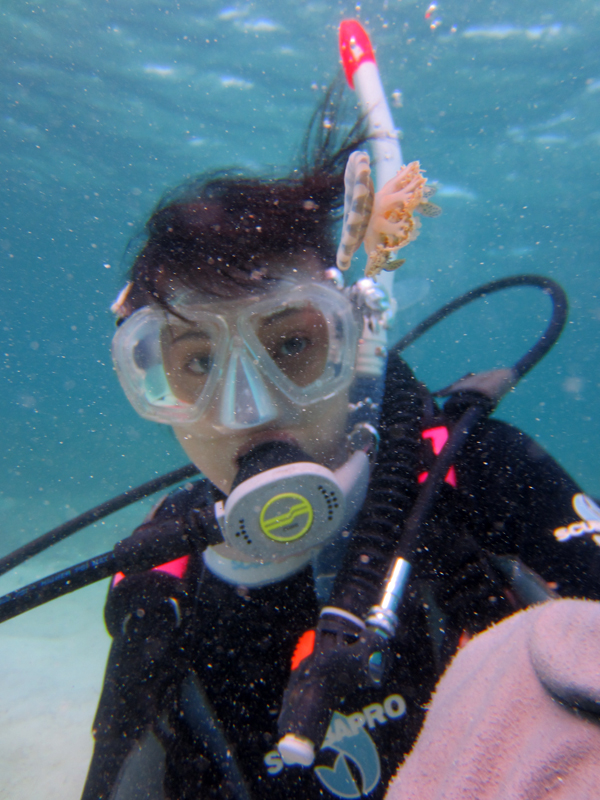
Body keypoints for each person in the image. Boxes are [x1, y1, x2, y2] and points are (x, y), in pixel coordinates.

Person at [81, 87, 600, 800]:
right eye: (198, 362)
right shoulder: (165, 573)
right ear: (153, 378)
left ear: (357, 341)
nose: (248, 409)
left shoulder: (486, 474)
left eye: (292, 345)